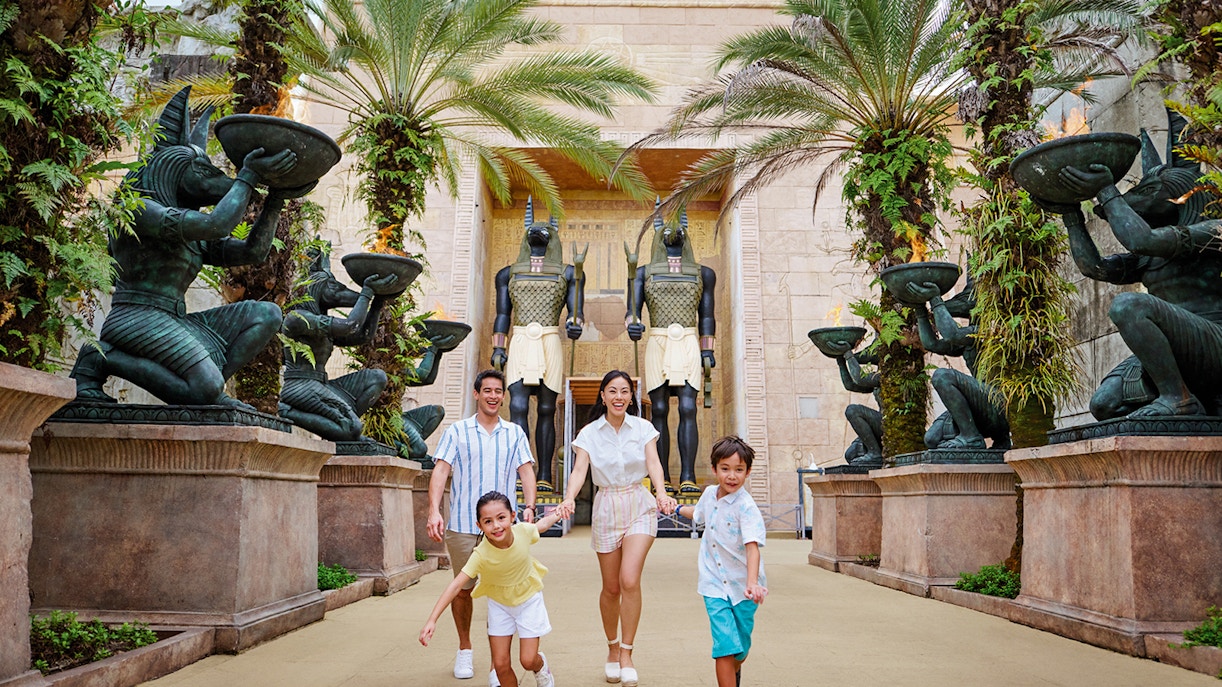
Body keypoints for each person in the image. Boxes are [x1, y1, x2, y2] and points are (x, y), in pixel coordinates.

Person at [71, 86, 311, 408]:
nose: (215, 182)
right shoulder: (141, 210)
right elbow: (218, 224)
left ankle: (207, 393)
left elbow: (252, 253)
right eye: (203, 173)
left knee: (266, 313)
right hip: (136, 315)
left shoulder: (189, 229)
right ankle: (103, 359)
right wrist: (247, 177)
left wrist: (276, 200)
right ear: (170, 170)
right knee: (205, 388)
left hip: (174, 319)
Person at [558, 370, 678, 686]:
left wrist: (661, 492)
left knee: (629, 579)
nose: (619, 397)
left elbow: (654, 463)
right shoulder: (589, 433)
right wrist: (568, 498)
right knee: (611, 587)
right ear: (603, 396)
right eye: (612, 391)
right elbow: (579, 469)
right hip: (607, 505)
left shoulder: (643, 428)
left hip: (639, 504)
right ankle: (612, 648)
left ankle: (627, 652)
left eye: (625, 391)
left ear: (631, 396)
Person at [427, 370, 538, 684]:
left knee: (501, 594)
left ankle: (497, 666)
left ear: (503, 396)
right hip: (463, 524)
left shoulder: (514, 433)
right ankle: (464, 647)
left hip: (502, 529)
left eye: (498, 391)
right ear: (476, 394)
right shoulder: (457, 432)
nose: (493, 396)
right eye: (487, 390)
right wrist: (434, 510)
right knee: (463, 591)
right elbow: (441, 471)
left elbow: (526, 472)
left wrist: (528, 506)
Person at [420, 491, 564, 687]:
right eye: (488, 521)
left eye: (501, 518)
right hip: (500, 606)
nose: (496, 526)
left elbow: (543, 525)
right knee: (500, 666)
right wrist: (432, 619)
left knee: (528, 660)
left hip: (528, 600)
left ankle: (541, 667)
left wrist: (560, 511)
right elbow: (456, 585)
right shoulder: (480, 554)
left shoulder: (522, 531)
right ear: (479, 526)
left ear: (513, 516)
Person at [492, 197, 585, 492]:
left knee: (546, 408)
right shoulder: (508, 273)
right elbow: (503, 315)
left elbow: (576, 313)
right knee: (518, 406)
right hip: (520, 339)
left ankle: (544, 475)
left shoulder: (568, 273)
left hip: (548, 340)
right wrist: (499, 347)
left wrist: (575, 325)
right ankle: (522, 474)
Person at [627, 202, 716, 495]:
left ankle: (688, 475)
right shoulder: (642, 273)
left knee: (688, 408)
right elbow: (633, 311)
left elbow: (706, 315)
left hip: (688, 340)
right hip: (658, 341)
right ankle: (660, 478)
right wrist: (633, 324)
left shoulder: (703, 273)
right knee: (660, 410)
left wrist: (707, 349)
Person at [673, 435, 768, 687]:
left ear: (747, 472)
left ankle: (736, 668)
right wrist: (675, 508)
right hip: (713, 583)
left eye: (739, 470)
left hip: (744, 589)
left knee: (740, 648)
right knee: (725, 645)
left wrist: (752, 584)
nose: (732, 476)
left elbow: (752, 548)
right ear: (714, 469)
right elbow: (698, 513)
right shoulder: (708, 494)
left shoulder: (746, 507)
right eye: (725, 469)